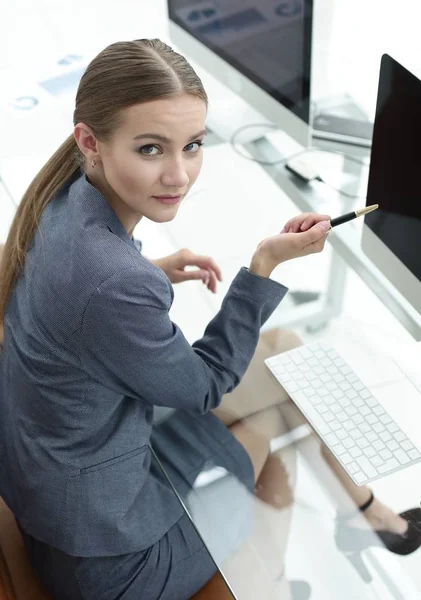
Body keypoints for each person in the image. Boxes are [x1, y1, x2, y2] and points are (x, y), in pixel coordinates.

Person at [0, 39, 420, 600]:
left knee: (289, 350)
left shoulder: (57, 201)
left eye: (193, 145)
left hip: (66, 496)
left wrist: (149, 268)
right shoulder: (115, 282)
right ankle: (281, 572)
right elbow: (205, 387)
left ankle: (368, 514)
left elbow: (82, 288)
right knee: (277, 415)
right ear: (90, 142)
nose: (180, 174)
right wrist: (264, 265)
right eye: (152, 149)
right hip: (111, 558)